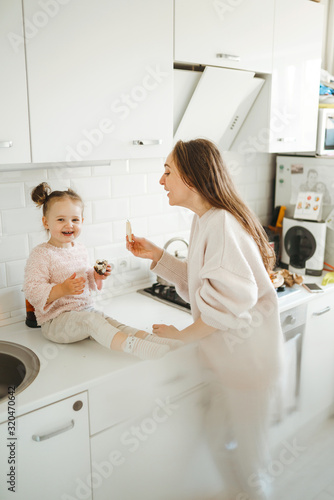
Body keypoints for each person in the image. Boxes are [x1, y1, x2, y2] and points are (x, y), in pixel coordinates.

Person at [126, 139, 285, 499]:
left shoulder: (222, 225)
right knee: (220, 443)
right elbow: (205, 283)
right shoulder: (207, 220)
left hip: (250, 366)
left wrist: (179, 337)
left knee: (249, 464)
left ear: (192, 178)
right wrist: (158, 256)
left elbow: (224, 309)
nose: (161, 180)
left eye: (167, 172)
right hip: (232, 363)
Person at [23, 183, 182, 360]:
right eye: (61, 220)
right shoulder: (41, 254)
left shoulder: (80, 248)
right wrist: (62, 290)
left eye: (75, 219)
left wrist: (95, 275)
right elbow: (32, 290)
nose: (69, 225)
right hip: (56, 322)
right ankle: (141, 348)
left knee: (112, 323)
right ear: (46, 222)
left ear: (82, 221)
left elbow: (85, 278)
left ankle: (161, 343)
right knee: (93, 321)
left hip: (85, 311)